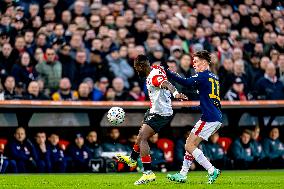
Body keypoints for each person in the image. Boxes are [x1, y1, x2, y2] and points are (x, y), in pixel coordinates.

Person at [116, 54, 187, 185]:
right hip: (153, 109)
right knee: (140, 135)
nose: (136, 70)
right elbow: (165, 71)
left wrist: (176, 93)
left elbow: (166, 83)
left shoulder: (154, 77)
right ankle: (132, 159)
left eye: (137, 67)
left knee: (143, 138)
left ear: (142, 66)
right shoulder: (155, 68)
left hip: (161, 113)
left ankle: (148, 173)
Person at [166, 50, 222, 184]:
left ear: (204, 63)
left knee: (190, 145)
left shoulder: (202, 76)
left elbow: (186, 83)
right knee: (189, 144)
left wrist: (168, 73)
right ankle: (183, 174)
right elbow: (211, 102)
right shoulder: (214, 77)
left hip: (209, 118)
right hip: (213, 115)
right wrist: (191, 108)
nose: (194, 64)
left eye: (196, 61)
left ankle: (211, 169)